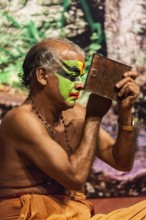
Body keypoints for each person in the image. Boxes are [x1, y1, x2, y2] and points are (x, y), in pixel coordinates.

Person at [0, 38, 145, 220]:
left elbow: (122, 162)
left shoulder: (76, 114)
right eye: (71, 76)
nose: (80, 84)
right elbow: (75, 178)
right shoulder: (20, 119)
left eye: (81, 77)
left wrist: (125, 112)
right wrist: (93, 118)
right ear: (42, 76)